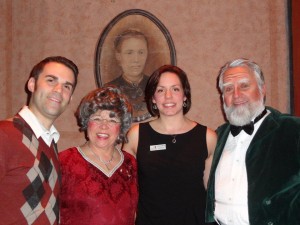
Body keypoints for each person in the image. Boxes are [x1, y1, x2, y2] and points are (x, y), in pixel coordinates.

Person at [205, 58, 300, 225]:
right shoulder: (217, 135)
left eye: (244, 86)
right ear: (222, 98)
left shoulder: (292, 130)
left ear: (262, 90)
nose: (236, 95)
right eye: (228, 89)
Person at [124, 65, 217, 225]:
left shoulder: (208, 137)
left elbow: (212, 195)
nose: (168, 96)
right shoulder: (136, 136)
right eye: (160, 90)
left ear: (185, 95)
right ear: (153, 98)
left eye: (175, 89)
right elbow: (125, 191)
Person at [0, 56, 79, 224]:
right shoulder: (4, 135)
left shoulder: (50, 142)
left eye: (67, 86)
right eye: (51, 80)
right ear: (32, 84)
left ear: (70, 98)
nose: (59, 90)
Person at [59, 86, 138, 225]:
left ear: (121, 126)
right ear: (86, 122)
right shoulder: (64, 161)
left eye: (112, 120)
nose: (104, 126)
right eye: (97, 118)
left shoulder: (131, 164)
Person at [105, 29, 151, 122]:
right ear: (118, 56)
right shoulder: (109, 89)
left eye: (141, 52)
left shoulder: (156, 86)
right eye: (129, 53)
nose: (136, 59)